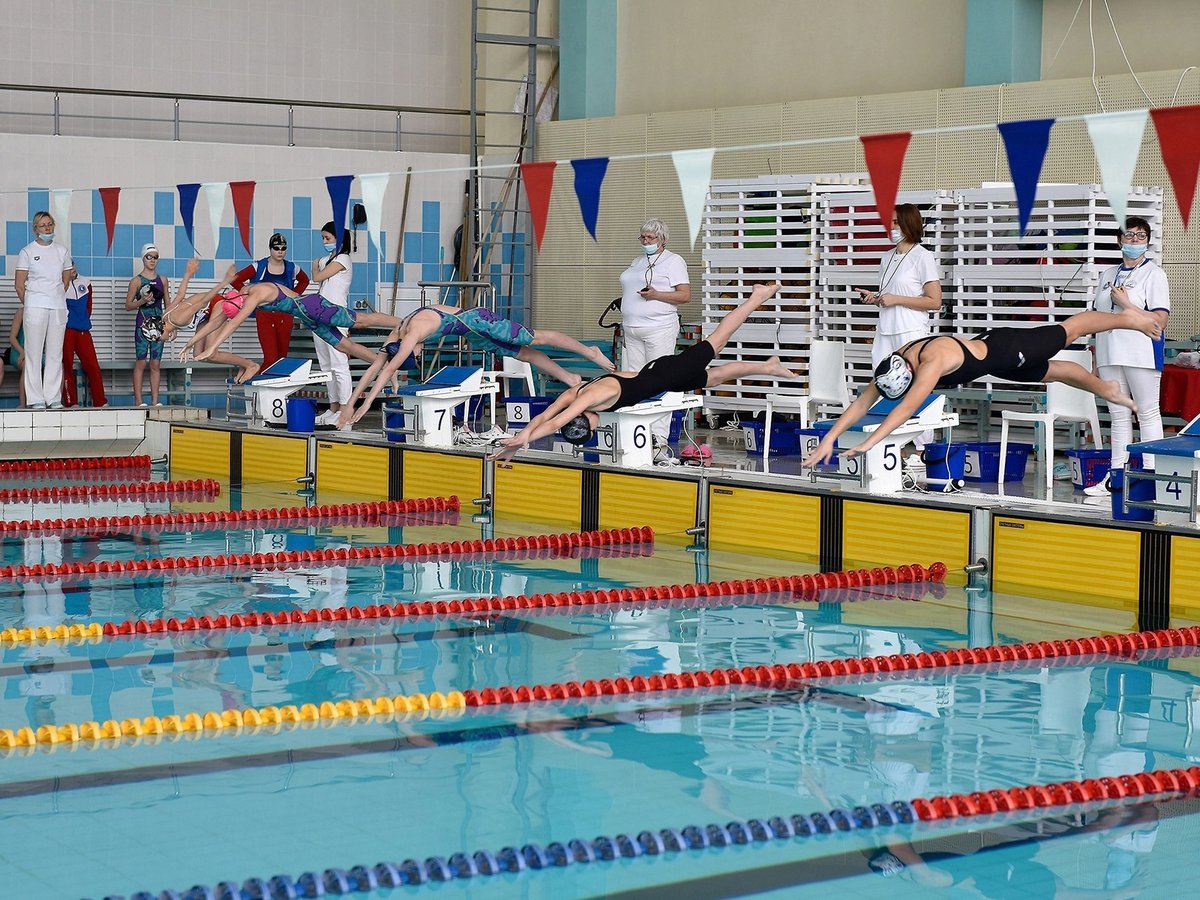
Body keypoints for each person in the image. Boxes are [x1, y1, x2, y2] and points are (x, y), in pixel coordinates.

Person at [802, 306, 1164, 469]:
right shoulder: (895, 362)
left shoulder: (933, 362)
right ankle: (1108, 390)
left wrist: (868, 442)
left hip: (1005, 349)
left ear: (910, 375)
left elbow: (905, 409)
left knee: (1069, 330)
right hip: (996, 360)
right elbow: (862, 403)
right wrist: (832, 437)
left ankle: (1126, 319)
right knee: (1054, 372)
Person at [491, 282, 792, 460]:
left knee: (718, 340)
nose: (597, 431)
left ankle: (756, 297)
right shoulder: (575, 393)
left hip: (669, 374)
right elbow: (547, 416)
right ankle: (768, 366)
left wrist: (524, 440)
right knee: (714, 377)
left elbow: (557, 422)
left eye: (591, 431)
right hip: (661, 374)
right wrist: (521, 438)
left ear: (587, 422)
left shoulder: (588, 400)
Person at [335, 305, 615, 429]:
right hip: (468, 332)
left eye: (416, 356)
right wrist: (350, 403)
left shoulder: (409, 336)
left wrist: (364, 403)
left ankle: (588, 351)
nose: (419, 355)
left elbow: (386, 371)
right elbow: (376, 367)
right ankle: (569, 377)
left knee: (535, 337)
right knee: (525, 355)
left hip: (478, 320)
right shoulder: (396, 333)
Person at [1084, 216, 1170, 497]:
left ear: (1147, 241)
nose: (1135, 240)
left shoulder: (1154, 274)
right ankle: (1116, 476)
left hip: (1141, 351)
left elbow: (1159, 320)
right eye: (1129, 235)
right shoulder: (1108, 275)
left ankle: (1152, 476)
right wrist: (1096, 358)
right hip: (1110, 350)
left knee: (1147, 413)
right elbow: (1098, 316)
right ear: (1119, 240)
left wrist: (1127, 304)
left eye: (1141, 236)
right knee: (1118, 416)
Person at [857, 203, 942, 463]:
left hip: (911, 331)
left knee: (916, 387)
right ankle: (887, 442)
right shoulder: (887, 257)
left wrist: (897, 299)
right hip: (886, 329)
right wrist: (876, 298)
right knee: (883, 384)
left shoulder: (922, 256)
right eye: (890, 222)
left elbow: (934, 301)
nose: (891, 227)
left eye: (895, 222)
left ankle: (921, 449)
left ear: (908, 224)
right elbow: (889, 296)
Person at [178, 278, 406, 369]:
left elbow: (235, 322)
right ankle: (386, 366)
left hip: (315, 307)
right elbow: (213, 324)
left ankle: (406, 323)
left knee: (361, 321)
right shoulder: (232, 298)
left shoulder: (257, 292)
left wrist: (212, 347)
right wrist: (190, 343)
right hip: (308, 317)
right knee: (344, 347)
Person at [619, 218, 691, 460]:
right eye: (643, 237)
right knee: (635, 380)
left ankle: (658, 440)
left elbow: (684, 295)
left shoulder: (674, 261)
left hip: (659, 327)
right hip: (632, 328)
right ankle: (636, 433)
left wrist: (656, 295)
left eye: (650, 238)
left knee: (659, 380)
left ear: (662, 240)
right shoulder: (637, 261)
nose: (645, 242)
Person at [164, 259, 261, 383]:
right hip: (205, 314)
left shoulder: (178, 319)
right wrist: (187, 274)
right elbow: (180, 296)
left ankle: (250, 365)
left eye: (158, 339)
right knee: (198, 355)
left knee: (211, 353)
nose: (161, 341)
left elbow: (203, 301)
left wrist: (224, 282)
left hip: (216, 304)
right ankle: (242, 364)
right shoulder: (166, 317)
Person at [14, 211, 73, 409]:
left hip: (57, 306)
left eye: (49, 224)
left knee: (55, 353)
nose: (47, 228)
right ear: (35, 229)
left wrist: (54, 296)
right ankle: (36, 398)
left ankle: (53, 397)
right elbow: (19, 285)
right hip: (35, 306)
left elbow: (65, 281)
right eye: (42, 225)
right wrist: (32, 303)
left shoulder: (62, 251)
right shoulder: (27, 252)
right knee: (33, 352)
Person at [228, 232, 310, 369]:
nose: (280, 252)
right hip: (265, 315)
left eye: (283, 248)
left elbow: (304, 280)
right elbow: (235, 280)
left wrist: (294, 297)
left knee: (282, 357)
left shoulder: (291, 267)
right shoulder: (259, 266)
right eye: (276, 248)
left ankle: (280, 387)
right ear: (270, 249)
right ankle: (264, 384)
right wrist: (249, 294)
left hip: (285, 314)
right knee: (271, 358)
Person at [308, 222, 353, 426]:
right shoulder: (327, 259)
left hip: (336, 316)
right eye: (323, 239)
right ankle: (333, 407)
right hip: (320, 315)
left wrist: (314, 265)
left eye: (327, 238)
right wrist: (318, 264)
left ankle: (345, 410)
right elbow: (318, 279)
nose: (324, 242)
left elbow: (317, 276)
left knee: (339, 364)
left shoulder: (343, 259)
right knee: (326, 365)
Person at [124, 243, 170, 407]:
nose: (152, 260)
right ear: (143, 258)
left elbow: (168, 306)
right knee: (141, 362)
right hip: (142, 324)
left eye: (155, 257)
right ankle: (138, 401)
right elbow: (128, 305)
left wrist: (172, 327)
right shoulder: (136, 281)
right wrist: (142, 301)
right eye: (149, 257)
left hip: (158, 325)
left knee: (156, 363)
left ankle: (155, 401)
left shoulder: (163, 280)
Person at [63, 268, 107, 408]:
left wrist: (82, 321)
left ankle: (100, 401)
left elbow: (89, 308)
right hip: (66, 331)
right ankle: (71, 401)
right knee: (66, 365)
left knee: (93, 366)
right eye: (68, 267)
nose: (73, 268)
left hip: (83, 330)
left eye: (73, 265)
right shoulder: (60, 284)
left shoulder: (86, 283)